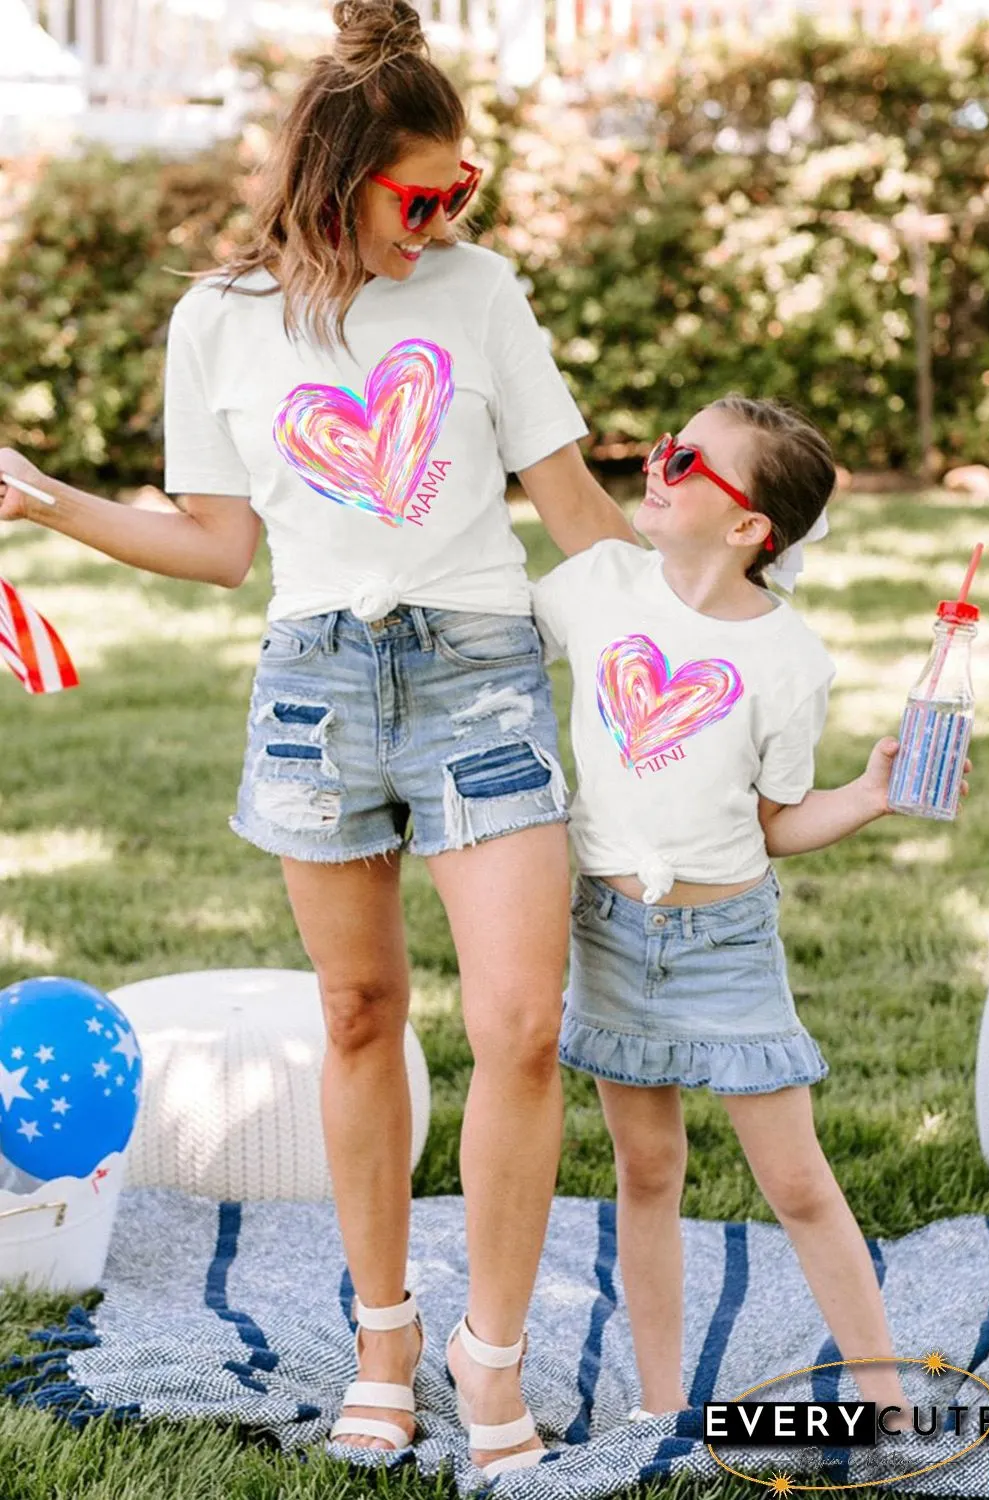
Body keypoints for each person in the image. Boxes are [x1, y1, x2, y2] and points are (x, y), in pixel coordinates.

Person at [0, 0, 634, 1477]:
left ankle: (490, 1355)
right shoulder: (215, 323)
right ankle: (382, 1335)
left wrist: (695, 638)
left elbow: (576, 505)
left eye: (463, 192)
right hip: (315, 690)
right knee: (357, 1014)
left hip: (481, 677)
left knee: (523, 1028)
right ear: (337, 173)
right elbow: (220, 547)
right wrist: (40, 498)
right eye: (425, 193)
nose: (447, 217)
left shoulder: (483, 296)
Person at [531, 395, 970, 1427]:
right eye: (662, 447)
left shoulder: (789, 657)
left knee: (799, 1182)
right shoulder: (597, 587)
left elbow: (772, 822)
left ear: (747, 529)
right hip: (608, 931)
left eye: (684, 460)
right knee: (646, 1173)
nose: (654, 463)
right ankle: (659, 1401)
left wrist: (864, 797)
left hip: (724, 942)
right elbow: (483, 642)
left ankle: (880, 1389)